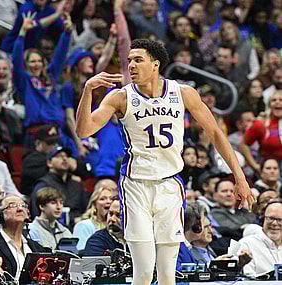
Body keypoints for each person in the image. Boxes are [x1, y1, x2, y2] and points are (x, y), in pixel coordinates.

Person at [75, 38, 255, 285]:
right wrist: (87, 91)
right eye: (129, 61)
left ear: (155, 64)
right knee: (144, 271)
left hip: (169, 184)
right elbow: (84, 130)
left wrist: (240, 177)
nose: (131, 66)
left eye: (138, 60)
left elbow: (215, 134)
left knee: (168, 273)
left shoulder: (183, 93)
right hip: (136, 185)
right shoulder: (120, 97)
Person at [0, 194, 50, 282]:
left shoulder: (38, 248)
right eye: (12, 206)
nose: (20, 209)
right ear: (0, 214)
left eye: (23, 205)